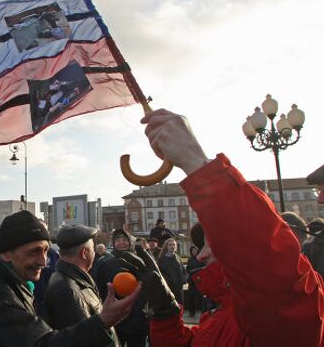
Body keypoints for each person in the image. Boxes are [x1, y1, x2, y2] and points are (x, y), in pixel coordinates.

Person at [121, 109, 324, 346]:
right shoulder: (223, 312)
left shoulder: (269, 312)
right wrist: (166, 314)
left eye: (212, 243)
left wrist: (195, 162)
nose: (202, 253)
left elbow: (268, 268)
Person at [0, 210, 141, 346]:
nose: (43, 261)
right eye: (34, 252)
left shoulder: (12, 281)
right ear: (7, 254)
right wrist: (102, 321)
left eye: (46, 250)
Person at [43, 224, 120, 346]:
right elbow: (85, 340)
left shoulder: (71, 279)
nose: (94, 253)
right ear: (85, 252)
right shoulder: (70, 291)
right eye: (93, 249)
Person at [93, 229, 149, 346]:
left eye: (124, 240)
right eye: (118, 240)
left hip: (137, 314)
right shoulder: (106, 263)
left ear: (130, 242)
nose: (121, 242)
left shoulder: (139, 261)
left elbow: (147, 285)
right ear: (113, 244)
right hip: (116, 316)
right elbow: (100, 288)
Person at [156, 237, 185, 305]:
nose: (172, 246)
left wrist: (183, 279)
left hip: (179, 288)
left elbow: (183, 270)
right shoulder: (162, 260)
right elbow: (161, 274)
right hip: (169, 288)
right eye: (170, 245)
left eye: (174, 244)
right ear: (166, 247)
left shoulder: (178, 258)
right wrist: (170, 282)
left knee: (180, 306)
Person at [184, 245, 205, 317]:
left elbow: (203, 268)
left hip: (200, 280)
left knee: (201, 297)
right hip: (192, 281)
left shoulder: (201, 258)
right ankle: (191, 312)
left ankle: (203, 312)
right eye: (192, 250)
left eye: (195, 250)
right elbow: (188, 270)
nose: (194, 252)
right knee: (191, 297)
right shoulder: (190, 260)